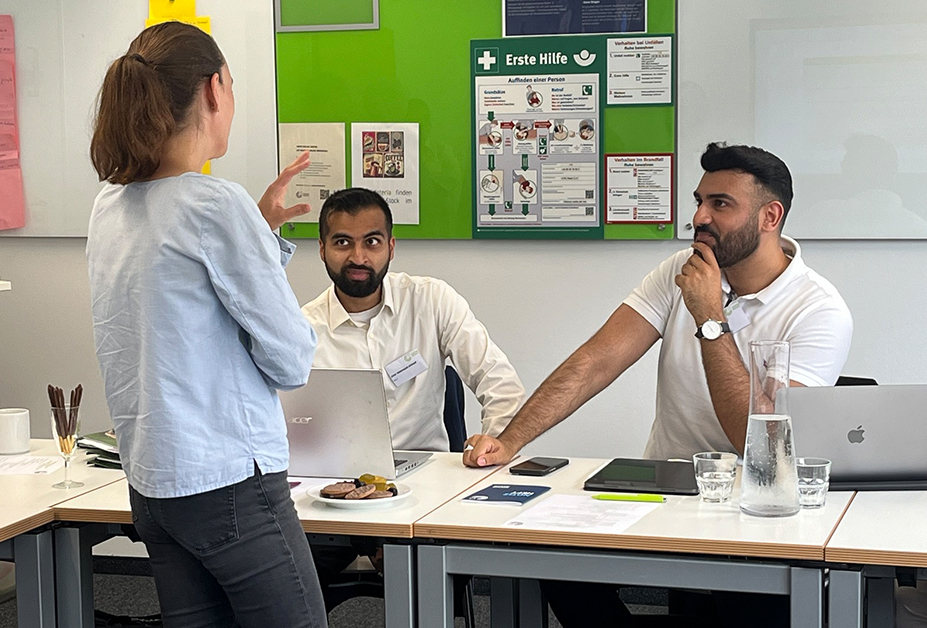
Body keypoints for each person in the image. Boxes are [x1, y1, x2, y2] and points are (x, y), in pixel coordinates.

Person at [463, 142, 854, 627]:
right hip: (670, 493)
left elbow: (760, 447)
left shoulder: (819, 310)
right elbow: (596, 360)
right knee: (552, 553)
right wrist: (509, 441)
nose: (700, 217)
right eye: (699, 201)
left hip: (760, 511)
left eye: (721, 204)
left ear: (770, 216)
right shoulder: (681, 270)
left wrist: (710, 316)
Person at [86, 22, 327, 627]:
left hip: (156, 485)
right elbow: (292, 359)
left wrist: (259, 232)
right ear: (214, 89)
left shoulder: (109, 205)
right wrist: (249, 226)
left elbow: (182, 320)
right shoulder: (214, 205)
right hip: (231, 486)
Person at [302, 187, 525, 607]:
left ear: (391, 246)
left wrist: (496, 442)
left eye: (371, 241)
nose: (358, 257)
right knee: (283, 589)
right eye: (342, 242)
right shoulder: (300, 328)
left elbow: (500, 382)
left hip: (424, 491)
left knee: (428, 590)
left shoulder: (431, 301)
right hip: (332, 496)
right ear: (321, 248)